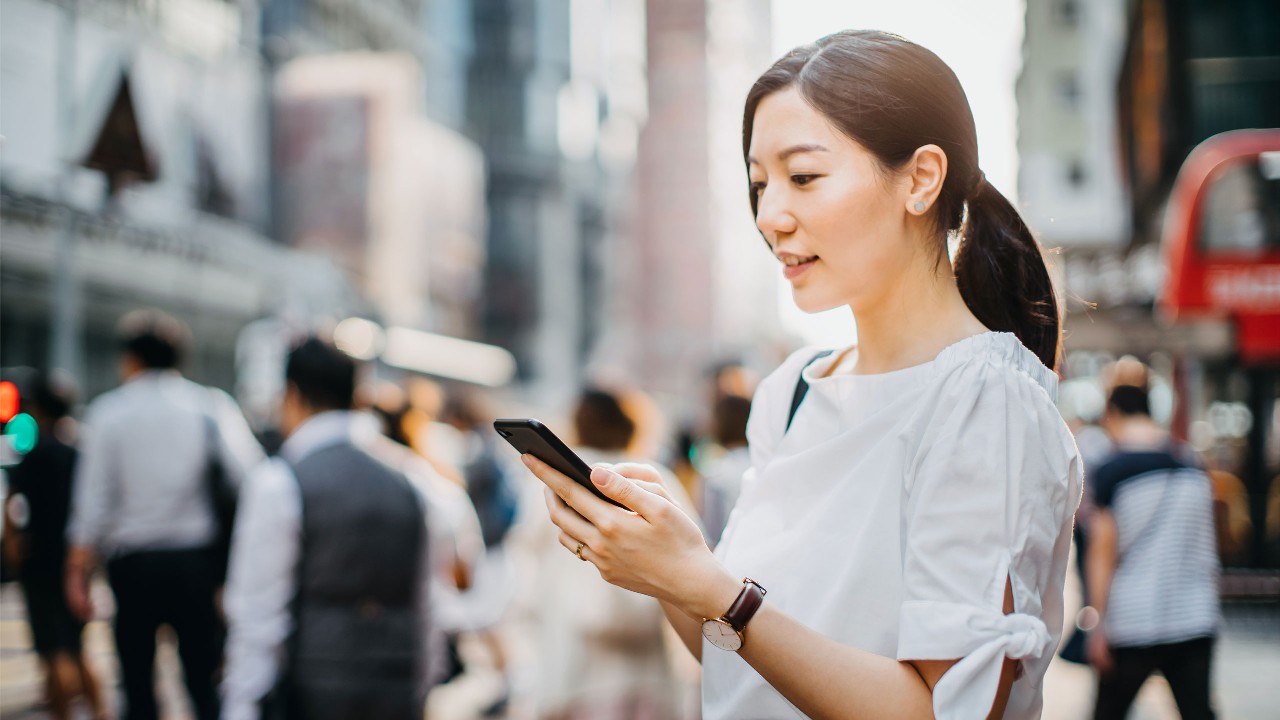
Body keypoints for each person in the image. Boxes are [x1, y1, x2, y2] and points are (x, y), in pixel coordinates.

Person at [521, 30, 1082, 719]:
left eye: (804, 177)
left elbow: (940, 710)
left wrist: (713, 590)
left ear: (921, 178)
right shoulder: (791, 391)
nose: (769, 216)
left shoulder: (984, 403)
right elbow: (741, 661)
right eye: (759, 184)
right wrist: (671, 562)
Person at [220, 337, 436, 720]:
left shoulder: (280, 481)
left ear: (291, 395)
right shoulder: (412, 482)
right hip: (396, 688)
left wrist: (242, 705)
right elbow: (426, 604)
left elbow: (258, 618)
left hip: (313, 689)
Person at [65, 310, 264, 720]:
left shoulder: (109, 412)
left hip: (133, 565)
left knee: (137, 684)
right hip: (196, 563)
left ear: (131, 359)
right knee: (203, 681)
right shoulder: (209, 407)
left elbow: (93, 503)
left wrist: (78, 571)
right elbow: (252, 478)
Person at [528, 387, 685, 720]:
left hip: (571, 661)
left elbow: (527, 553)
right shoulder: (652, 477)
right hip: (642, 672)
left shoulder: (550, 477)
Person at [1086, 383, 1220, 719]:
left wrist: (1097, 624)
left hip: (1133, 618)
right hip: (1195, 614)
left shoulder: (1113, 472)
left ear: (1113, 413)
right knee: (1198, 712)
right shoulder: (1192, 464)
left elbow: (1103, 553)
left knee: (1108, 713)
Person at [3, 372, 108, 720]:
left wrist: (12, 543)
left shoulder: (36, 453)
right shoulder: (81, 451)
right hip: (75, 560)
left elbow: (12, 504)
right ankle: (101, 712)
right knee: (78, 648)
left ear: (36, 408)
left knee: (54, 651)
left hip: (40, 562)